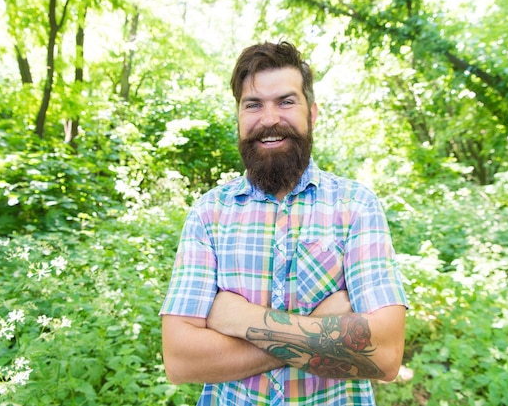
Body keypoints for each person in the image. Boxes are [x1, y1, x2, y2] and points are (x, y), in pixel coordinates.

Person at [160, 41, 408, 405]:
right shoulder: (208, 213)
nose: (270, 118)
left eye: (286, 102)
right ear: (239, 117)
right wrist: (323, 327)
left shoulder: (356, 206)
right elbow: (180, 359)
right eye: (253, 104)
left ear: (313, 113)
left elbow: (385, 354)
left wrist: (238, 319)